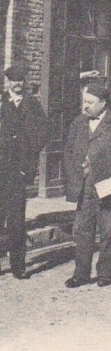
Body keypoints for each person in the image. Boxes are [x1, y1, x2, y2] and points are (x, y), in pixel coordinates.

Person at [63, 82, 111, 288]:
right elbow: (68, 152)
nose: (85, 106)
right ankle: (81, 274)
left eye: (90, 102)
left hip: (107, 185)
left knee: (107, 230)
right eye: (84, 101)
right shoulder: (79, 122)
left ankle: (105, 273)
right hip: (84, 187)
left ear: (102, 103)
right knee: (82, 231)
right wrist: (74, 175)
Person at [0, 63, 50, 279]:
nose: (17, 84)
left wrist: (29, 156)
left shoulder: (32, 105)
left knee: (17, 219)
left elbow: (44, 132)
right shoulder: (1, 102)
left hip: (18, 171)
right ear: (8, 82)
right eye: (14, 80)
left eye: (21, 80)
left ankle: (18, 265)